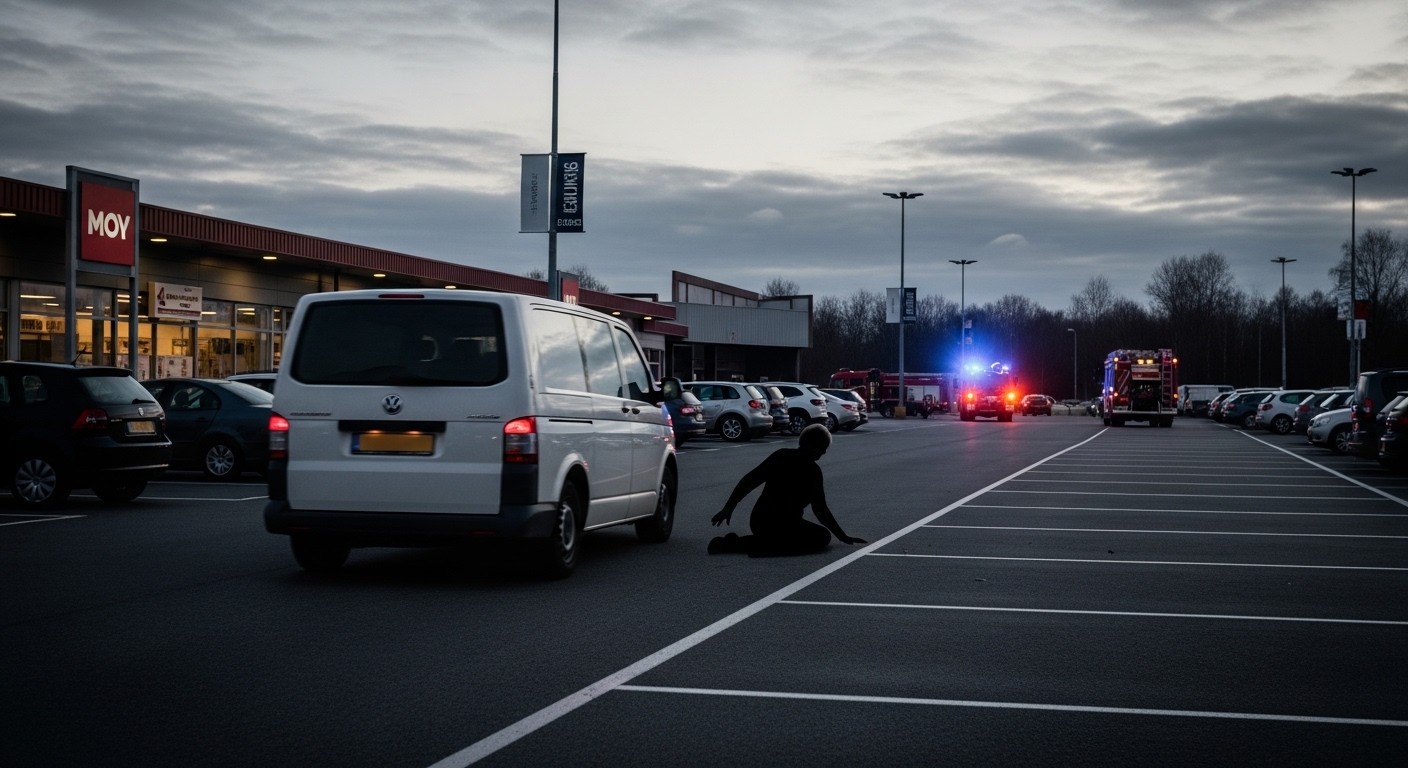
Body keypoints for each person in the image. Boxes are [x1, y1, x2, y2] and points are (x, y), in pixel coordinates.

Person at [708, 423, 866, 556]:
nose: (824, 452)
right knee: (821, 537)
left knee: (780, 537)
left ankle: (738, 543)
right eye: (822, 447)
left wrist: (729, 507)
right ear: (812, 445)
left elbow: (749, 481)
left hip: (761, 521)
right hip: (788, 523)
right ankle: (762, 548)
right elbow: (820, 509)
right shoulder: (813, 471)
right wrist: (841, 535)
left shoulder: (781, 456)